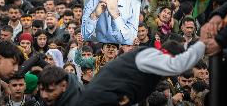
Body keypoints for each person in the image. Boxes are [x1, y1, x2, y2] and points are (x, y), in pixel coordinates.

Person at [76, 25, 209, 106]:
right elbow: (177, 65)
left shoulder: (151, 71)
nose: (171, 74)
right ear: (167, 57)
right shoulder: (148, 55)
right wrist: (204, 43)